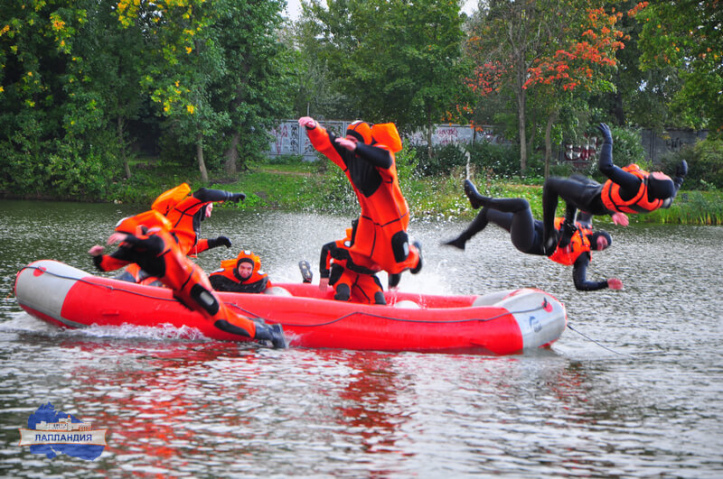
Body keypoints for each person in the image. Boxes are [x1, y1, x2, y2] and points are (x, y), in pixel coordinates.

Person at [88, 210, 285, 348]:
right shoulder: (130, 252)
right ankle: (261, 326)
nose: (122, 242)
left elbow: (156, 246)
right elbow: (106, 265)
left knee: (222, 322)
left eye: (124, 237)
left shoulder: (158, 238)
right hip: (182, 292)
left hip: (194, 284)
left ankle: (271, 334)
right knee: (217, 318)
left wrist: (127, 238)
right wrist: (97, 255)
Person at [298, 117, 423, 279]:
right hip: (370, 216)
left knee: (393, 264)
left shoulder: (379, 151)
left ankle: (415, 254)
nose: (349, 143)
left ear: (364, 141)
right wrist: (313, 127)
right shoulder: (348, 153)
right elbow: (328, 142)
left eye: (353, 140)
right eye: (348, 139)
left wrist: (358, 147)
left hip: (392, 216)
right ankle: (360, 288)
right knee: (359, 257)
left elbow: (386, 159)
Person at [443, 180, 623, 292]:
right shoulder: (584, 225)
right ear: (599, 233)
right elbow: (589, 198)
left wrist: (605, 284)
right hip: (531, 228)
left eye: (604, 247)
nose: (603, 245)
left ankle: (479, 199)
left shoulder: (582, 257)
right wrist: (612, 212)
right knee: (489, 212)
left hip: (530, 241)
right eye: (604, 240)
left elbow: (581, 284)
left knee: (522, 205)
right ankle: (462, 240)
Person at [542, 123, 687, 252]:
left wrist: (608, 140)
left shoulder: (635, 185)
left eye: (663, 176)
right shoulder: (656, 199)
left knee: (551, 184)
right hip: (599, 195)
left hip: (590, 199)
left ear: (655, 183)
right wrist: (679, 177)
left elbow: (606, 167)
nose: (662, 172)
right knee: (574, 178)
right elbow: (671, 198)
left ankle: (548, 235)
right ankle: (569, 228)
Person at [318, 221, 386, 305]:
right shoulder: (347, 245)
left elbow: (398, 264)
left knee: (379, 301)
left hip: (366, 277)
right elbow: (327, 249)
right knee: (343, 295)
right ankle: (337, 312)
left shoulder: (384, 250)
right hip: (344, 273)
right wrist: (324, 275)